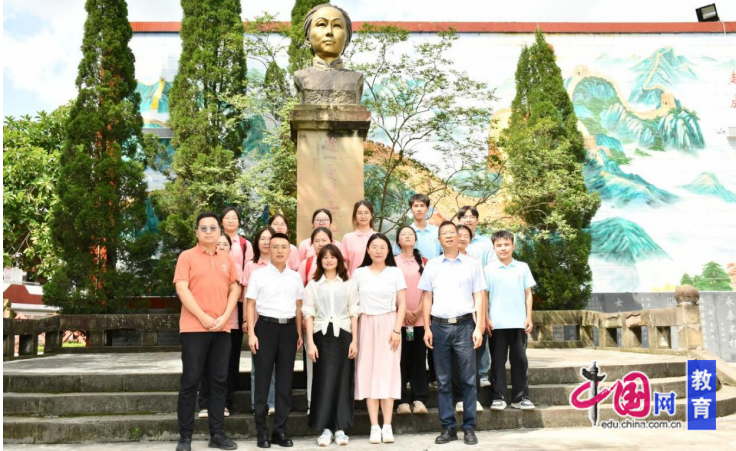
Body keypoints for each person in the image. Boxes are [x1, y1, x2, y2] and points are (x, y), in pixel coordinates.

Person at [173, 212, 241, 451]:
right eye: (204, 228)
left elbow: (235, 289)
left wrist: (225, 316)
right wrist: (202, 317)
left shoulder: (227, 259)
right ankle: (185, 437)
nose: (209, 232)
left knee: (219, 382)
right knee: (190, 381)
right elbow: (182, 289)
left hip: (222, 329)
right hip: (194, 329)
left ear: (220, 232)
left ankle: (217, 435)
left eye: (213, 228)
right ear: (197, 232)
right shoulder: (186, 257)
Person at [419, 221, 486, 446]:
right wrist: (427, 327)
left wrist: (479, 327)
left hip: (465, 326)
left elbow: (479, 296)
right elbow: (427, 297)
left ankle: (469, 427)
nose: (448, 236)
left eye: (452, 233)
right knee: (443, 380)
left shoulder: (472, 264)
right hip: (439, 327)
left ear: (459, 237)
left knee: (468, 379)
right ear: (439, 240)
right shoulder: (432, 265)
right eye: (444, 234)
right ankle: (447, 427)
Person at [246, 232, 304, 448]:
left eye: (283, 247)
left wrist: (299, 333)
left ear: (290, 251)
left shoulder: (295, 277)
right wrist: (252, 334)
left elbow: (298, 307)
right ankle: (262, 433)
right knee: (262, 382)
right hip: (265, 329)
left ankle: (280, 431)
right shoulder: (258, 275)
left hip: (288, 330)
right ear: (268, 250)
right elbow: (250, 304)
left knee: (285, 383)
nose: (279, 251)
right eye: (275, 247)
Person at [303, 244, 360, 447]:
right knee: (323, 381)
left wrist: (354, 340)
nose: (329, 260)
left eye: (332, 257)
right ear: (320, 261)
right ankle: (326, 428)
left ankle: (341, 428)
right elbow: (308, 313)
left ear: (339, 260)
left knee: (344, 380)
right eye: (324, 257)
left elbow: (354, 312)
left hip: (344, 335)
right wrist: (310, 343)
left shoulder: (348, 284)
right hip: (321, 336)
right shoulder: (313, 285)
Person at [353, 234, 406, 444]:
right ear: (367, 250)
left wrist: (396, 330)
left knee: (388, 373)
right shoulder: (358, 273)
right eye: (374, 247)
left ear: (388, 250)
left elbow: (402, 304)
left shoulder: (395, 272)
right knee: (368, 373)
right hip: (365, 324)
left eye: (382, 247)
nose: (378, 250)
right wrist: (354, 336)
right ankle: (374, 426)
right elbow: (353, 306)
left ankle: (387, 425)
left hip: (389, 325)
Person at [485, 230, 536, 412]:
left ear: (513, 246)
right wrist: (486, 318)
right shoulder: (488, 269)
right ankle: (498, 397)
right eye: (499, 245)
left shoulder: (522, 267)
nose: (503, 248)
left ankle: (520, 397)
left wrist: (529, 317)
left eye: (506, 244)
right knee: (497, 361)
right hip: (496, 324)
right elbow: (484, 296)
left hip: (518, 323)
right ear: (493, 248)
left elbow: (528, 294)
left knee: (520, 360)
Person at [198, 234, 243, 419]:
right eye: (219, 244)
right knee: (205, 364)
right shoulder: (203, 264)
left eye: (226, 244)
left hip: (230, 323)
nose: (222, 246)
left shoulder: (235, 267)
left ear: (231, 248)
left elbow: (238, 294)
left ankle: (225, 403)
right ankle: (204, 403)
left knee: (228, 366)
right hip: (206, 322)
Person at [456, 206, 495, 388]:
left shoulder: (485, 243)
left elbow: (491, 267)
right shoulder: (452, 240)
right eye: (464, 216)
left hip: (481, 293)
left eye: (472, 216)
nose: (468, 219)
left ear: (477, 220)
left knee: (481, 331)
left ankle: (482, 372)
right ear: (459, 220)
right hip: (459, 297)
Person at [241, 227, 277, 416]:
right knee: (258, 366)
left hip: (277, 321)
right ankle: (258, 403)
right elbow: (246, 296)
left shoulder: (282, 265)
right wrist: (246, 320)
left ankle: (272, 402)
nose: (265, 242)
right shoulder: (250, 266)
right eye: (262, 238)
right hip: (257, 322)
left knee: (275, 366)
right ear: (257, 242)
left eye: (269, 238)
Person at [394, 226, 429, 416]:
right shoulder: (392, 262)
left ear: (415, 239)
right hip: (399, 320)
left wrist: (417, 311)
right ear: (398, 240)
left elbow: (428, 291)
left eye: (410, 234)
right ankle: (401, 400)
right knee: (399, 360)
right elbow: (389, 289)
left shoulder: (424, 262)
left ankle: (419, 398)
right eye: (403, 234)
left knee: (418, 360)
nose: (407, 237)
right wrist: (404, 311)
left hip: (420, 320)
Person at [298, 226, 333, 414]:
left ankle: (332, 404)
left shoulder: (338, 263)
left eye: (324, 240)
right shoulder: (306, 264)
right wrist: (304, 319)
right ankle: (313, 403)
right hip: (312, 321)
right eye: (317, 241)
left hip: (335, 323)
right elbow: (300, 295)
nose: (320, 244)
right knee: (313, 364)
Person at [451, 224, 485, 413]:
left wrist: (481, 321)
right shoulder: (442, 261)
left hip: (470, 319)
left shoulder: (474, 262)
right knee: (456, 362)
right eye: (460, 234)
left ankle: (472, 398)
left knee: (472, 362)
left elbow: (480, 294)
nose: (463, 238)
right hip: (449, 319)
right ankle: (459, 398)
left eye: (466, 236)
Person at [393, 194, 441, 260]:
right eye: (415, 206)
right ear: (411, 209)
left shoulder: (437, 231)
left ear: (428, 208)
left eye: (422, 206)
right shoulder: (404, 233)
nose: (419, 209)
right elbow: (396, 257)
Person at [341, 200, 376, 276]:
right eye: (359, 213)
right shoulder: (347, 238)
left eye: (366, 213)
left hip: (375, 280)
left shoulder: (378, 237)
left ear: (371, 215)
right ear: (355, 216)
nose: (363, 216)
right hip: (353, 280)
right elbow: (345, 264)